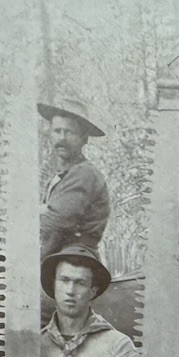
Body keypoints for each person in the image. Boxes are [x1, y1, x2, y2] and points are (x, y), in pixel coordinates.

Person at [38, 97, 110, 260]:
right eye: (57, 131)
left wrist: (34, 263)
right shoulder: (61, 176)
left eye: (69, 132)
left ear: (84, 138)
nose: (62, 138)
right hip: (59, 256)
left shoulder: (85, 174)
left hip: (74, 261)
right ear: (50, 134)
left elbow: (55, 226)